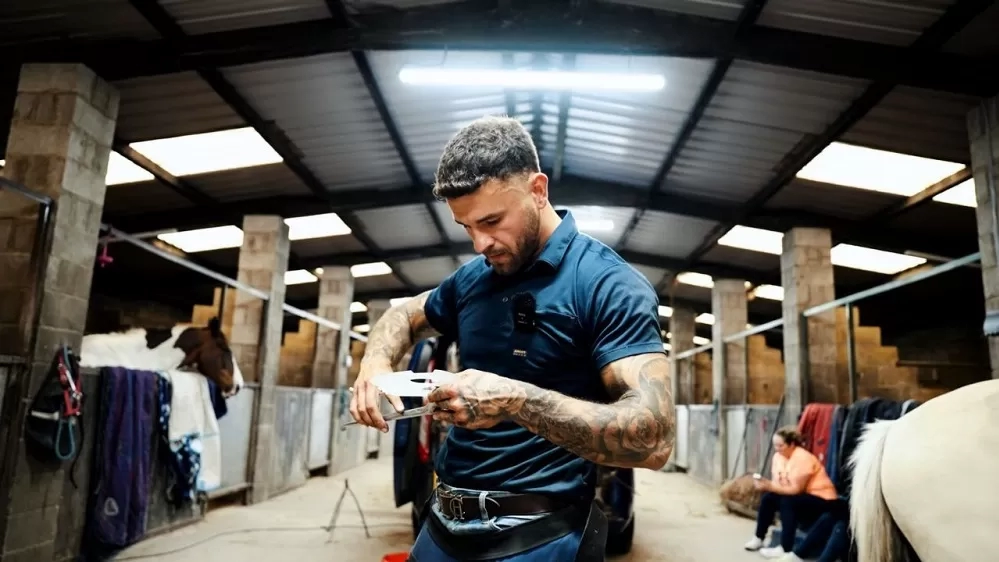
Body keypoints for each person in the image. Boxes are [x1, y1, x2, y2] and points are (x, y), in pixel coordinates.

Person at [348, 116, 675, 561]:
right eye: (466, 227)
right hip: (441, 525)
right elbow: (402, 315)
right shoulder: (472, 280)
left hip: (539, 535)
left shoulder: (606, 284)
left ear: (537, 190)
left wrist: (517, 401)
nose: (480, 243)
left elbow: (654, 440)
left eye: (492, 221)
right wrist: (375, 368)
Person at [744, 426, 842, 559]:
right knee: (768, 498)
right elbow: (778, 485)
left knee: (788, 502)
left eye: (781, 445)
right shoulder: (778, 457)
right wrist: (766, 485)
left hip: (823, 499)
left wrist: (770, 486)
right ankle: (758, 537)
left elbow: (796, 489)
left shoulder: (803, 458)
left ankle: (786, 547)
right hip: (801, 497)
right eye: (775, 445)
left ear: (792, 444)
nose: (777, 449)